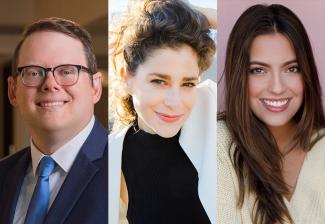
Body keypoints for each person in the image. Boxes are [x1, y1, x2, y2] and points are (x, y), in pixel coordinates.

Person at [109, 0, 216, 223]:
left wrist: (194, 14)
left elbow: (265, 20)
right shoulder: (111, 158)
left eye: (188, 84)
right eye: (159, 81)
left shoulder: (212, 116)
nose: (175, 102)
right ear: (125, 76)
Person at [217, 4, 325, 224]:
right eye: (259, 70)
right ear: (240, 77)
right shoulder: (221, 143)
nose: (277, 87)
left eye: (291, 68)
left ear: (306, 74)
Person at [0, 17, 107, 224]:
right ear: (13, 91)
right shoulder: (3, 175)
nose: (50, 84)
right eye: (33, 72)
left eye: (66, 71)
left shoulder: (124, 167)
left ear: (95, 87)